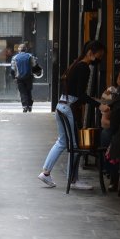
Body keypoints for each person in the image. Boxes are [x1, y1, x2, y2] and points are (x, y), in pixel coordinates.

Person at [38, 40, 106, 190]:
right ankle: (73, 179)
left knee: (62, 142)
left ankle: (46, 172)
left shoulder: (76, 64)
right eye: (99, 55)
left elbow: (77, 92)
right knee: (75, 146)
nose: (100, 59)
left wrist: (93, 100)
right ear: (91, 53)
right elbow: (81, 94)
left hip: (61, 105)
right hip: (69, 108)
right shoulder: (84, 68)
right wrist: (99, 104)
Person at [11, 44, 36, 112]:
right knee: (28, 91)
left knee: (22, 92)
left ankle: (24, 106)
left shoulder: (15, 57)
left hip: (19, 78)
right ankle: (30, 106)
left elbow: (12, 69)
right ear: (26, 49)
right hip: (29, 77)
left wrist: (13, 77)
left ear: (19, 50)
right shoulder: (30, 56)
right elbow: (34, 65)